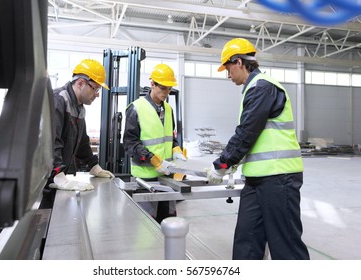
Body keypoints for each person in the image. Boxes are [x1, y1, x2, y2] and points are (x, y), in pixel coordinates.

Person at [207, 38, 310, 260]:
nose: (227, 74)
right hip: (256, 179)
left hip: (279, 177)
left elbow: (247, 132)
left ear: (238, 62)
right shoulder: (252, 88)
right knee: (247, 241)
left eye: (227, 68)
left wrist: (222, 165)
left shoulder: (263, 87)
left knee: (285, 245)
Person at [40, 59, 114, 209]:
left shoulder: (79, 108)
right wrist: (57, 172)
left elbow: (82, 142)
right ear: (80, 83)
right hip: (39, 180)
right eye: (95, 89)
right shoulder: (58, 100)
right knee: (38, 221)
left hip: (52, 178)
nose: (97, 95)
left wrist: (93, 166)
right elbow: (50, 141)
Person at [123, 63, 186, 223]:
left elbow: (170, 137)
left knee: (168, 222)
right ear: (152, 84)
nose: (167, 92)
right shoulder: (136, 108)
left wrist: (176, 148)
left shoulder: (169, 109)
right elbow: (130, 143)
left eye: (169, 89)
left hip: (167, 176)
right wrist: (153, 159)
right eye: (163, 88)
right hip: (146, 178)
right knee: (146, 226)